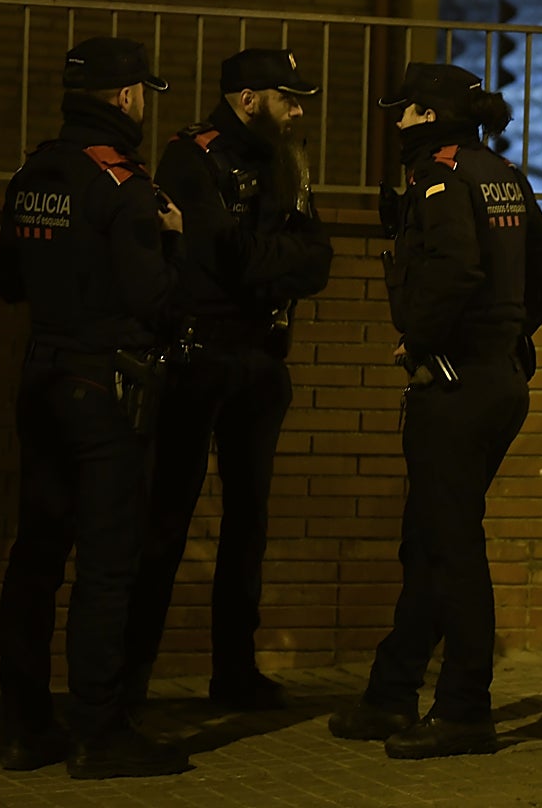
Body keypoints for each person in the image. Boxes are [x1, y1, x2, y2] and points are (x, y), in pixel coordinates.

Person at [328, 62, 542, 759]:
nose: (393, 120)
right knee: (431, 542)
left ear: (424, 116)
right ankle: (390, 694)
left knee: (454, 551)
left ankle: (465, 709)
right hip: (498, 379)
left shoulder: (437, 176)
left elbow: (456, 267)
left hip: (456, 384)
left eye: (400, 109)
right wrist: (511, 334)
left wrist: (420, 342)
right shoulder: (500, 172)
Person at [0, 36, 190, 779]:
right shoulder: (124, 182)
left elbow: (12, 281)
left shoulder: (33, 170)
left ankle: (24, 726)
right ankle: (100, 733)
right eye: (143, 90)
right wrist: (174, 246)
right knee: (107, 564)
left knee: (36, 554)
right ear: (124, 97)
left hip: (40, 374)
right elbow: (154, 298)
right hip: (105, 385)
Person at [122, 48, 332, 712]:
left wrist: (271, 259)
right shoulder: (194, 156)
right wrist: (279, 258)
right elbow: (226, 257)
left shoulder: (285, 161)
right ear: (249, 98)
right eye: (288, 98)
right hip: (200, 358)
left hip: (262, 360)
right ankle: (127, 682)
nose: (299, 111)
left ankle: (234, 672)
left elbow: (320, 259)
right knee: (167, 521)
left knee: (249, 523)